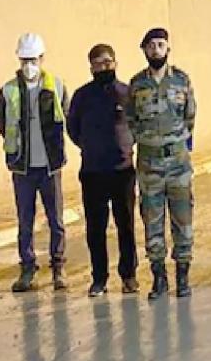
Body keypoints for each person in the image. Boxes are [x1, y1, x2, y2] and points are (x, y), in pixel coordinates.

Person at [0, 33, 71, 293]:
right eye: (25, 60)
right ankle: (27, 269)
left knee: (56, 219)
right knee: (25, 220)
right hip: (22, 167)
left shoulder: (57, 86)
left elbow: (67, 116)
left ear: (42, 59)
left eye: (33, 60)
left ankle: (58, 268)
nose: (29, 65)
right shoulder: (8, 90)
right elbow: (1, 123)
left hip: (51, 166)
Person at [125, 28, 196, 300]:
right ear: (144, 50)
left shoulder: (181, 80)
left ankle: (183, 276)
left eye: (160, 44)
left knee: (183, 220)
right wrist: (147, 140)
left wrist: (175, 140)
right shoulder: (136, 85)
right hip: (149, 165)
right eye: (151, 46)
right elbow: (130, 120)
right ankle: (159, 278)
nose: (156, 49)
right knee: (152, 221)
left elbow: (190, 116)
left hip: (178, 164)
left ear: (168, 48)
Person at [67, 44, 139, 297]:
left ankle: (129, 276)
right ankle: (99, 278)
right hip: (93, 172)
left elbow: (137, 124)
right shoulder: (81, 96)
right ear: (91, 67)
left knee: (126, 225)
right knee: (96, 229)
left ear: (116, 64)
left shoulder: (127, 93)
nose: (103, 67)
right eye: (98, 64)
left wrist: (126, 147)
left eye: (108, 62)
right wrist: (88, 146)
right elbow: (72, 128)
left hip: (122, 171)